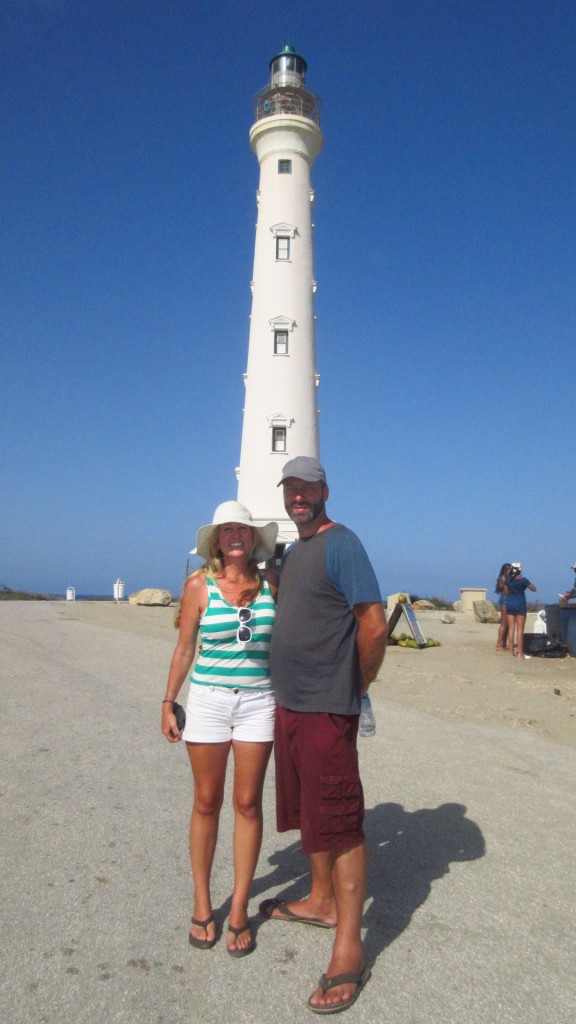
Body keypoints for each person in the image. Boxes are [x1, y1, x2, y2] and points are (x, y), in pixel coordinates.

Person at [259, 457, 388, 1014]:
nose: (298, 498)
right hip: (289, 704)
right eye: (291, 490)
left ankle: (348, 947)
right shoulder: (293, 552)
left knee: (340, 817)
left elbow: (374, 622)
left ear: (324, 491)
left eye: (307, 489)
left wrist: (356, 686)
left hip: (327, 708)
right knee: (312, 810)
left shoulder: (343, 543)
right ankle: (320, 899)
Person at [161, 501, 278, 957]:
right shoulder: (198, 586)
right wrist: (168, 703)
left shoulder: (272, 584)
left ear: (253, 540)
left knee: (247, 804)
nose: (235, 536)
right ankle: (203, 902)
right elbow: (184, 648)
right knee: (206, 802)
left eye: (243, 530)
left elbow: (295, 637)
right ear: (216, 540)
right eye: (227, 530)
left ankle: (239, 909)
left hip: (259, 703)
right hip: (208, 703)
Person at [503, 562, 537, 660]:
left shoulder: (508, 580)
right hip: (520, 604)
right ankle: (520, 654)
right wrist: (525, 584)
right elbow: (533, 589)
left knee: (511, 628)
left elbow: (506, 592)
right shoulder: (523, 580)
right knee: (520, 630)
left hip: (510, 603)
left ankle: (511, 652)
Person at [495, 562, 512, 650]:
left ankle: (504, 643)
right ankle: (499, 644)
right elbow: (504, 589)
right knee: (504, 623)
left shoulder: (507, 578)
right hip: (505, 599)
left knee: (508, 624)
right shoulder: (503, 578)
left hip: (507, 599)